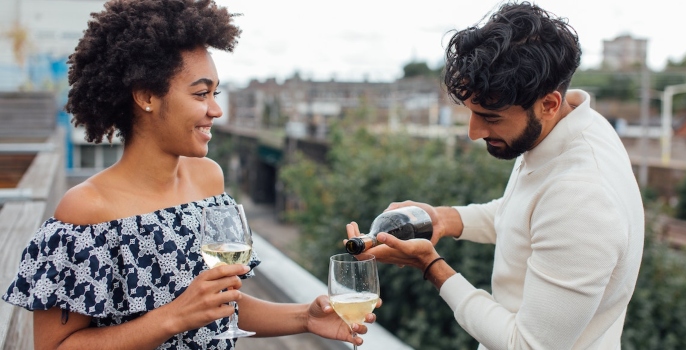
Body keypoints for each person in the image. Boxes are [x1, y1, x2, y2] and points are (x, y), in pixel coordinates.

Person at [2, 1, 376, 349]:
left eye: (216, 93)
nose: (216, 110)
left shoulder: (208, 180)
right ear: (146, 96)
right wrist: (173, 317)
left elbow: (219, 307)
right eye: (201, 94)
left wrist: (304, 317)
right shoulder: (86, 210)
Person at [346, 2, 644, 349]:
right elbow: (525, 214)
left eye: (490, 116)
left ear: (548, 103)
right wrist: (445, 218)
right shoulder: (574, 127)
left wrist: (430, 266)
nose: (473, 132)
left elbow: (527, 345)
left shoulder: (582, 196)